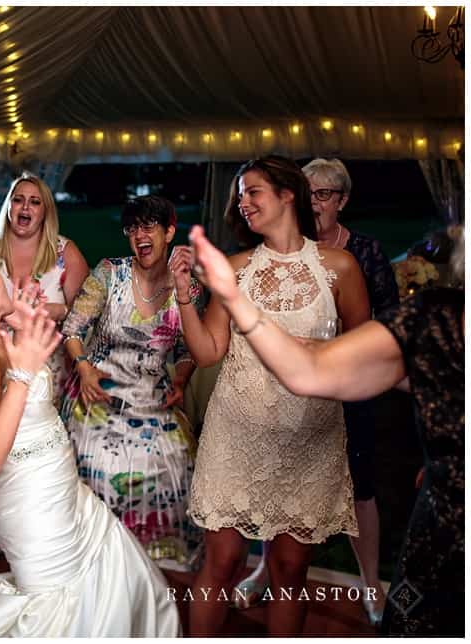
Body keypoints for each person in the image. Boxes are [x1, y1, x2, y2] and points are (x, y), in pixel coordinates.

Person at [185, 222, 463, 637]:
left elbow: (347, 355)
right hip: (447, 525)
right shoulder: (441, 318)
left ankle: (368, 585)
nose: (247, 204)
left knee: (292, 566)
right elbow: (317, 368)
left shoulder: (348, 265)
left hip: (316, 434)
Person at [0, 248, 180, 637]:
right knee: (54, 614)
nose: (6, 279)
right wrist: (21, 376)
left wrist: (22, 321)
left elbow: (34, 389)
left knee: (109, 587)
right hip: (33, 506)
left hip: (61, 489)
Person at [169, 155, 370, 635]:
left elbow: (366, 350)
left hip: (308, 439)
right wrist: (183, 295)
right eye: (240, 194)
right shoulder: (234, 269)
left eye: (253, 191)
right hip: (235, 434)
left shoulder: (339, 268)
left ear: (286, 194)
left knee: (289, 572)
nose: (243, 202)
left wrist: (321, 353)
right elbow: (209, 350)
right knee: (221, 564)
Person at [231, 158, 399, 623]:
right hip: (283, 393)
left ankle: (369, 584)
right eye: (309, 192)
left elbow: (386, 324)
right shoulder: (275, 252)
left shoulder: (362, 254)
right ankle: (267, 568)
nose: (315, 202)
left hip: (346, 391)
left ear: (342, 201)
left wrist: (334, 353)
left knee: (358, 486)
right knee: (277, 481)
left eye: (324, 194)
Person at [61, 195, 201, 570]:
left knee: (177, 468)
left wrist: (181, 379)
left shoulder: (185, 288)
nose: (140, 234)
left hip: (153, 406)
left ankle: (148, 570)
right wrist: (84, 367)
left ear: (169, 232)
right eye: (133, 228)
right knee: (103, 469)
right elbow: (72, 329)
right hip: (100, 404)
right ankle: (97, 564)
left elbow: (189, 350)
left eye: (149, 226)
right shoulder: (110, 273)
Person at [0, 172, 88, 570]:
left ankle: (34, 530)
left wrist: (42, 311)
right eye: (19, 200)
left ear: (45, 210)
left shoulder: (66, 253)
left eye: (35, 201)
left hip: (42, 369)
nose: (26, 208)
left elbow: (83, 312)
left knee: (30, 454)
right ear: (8, 206)